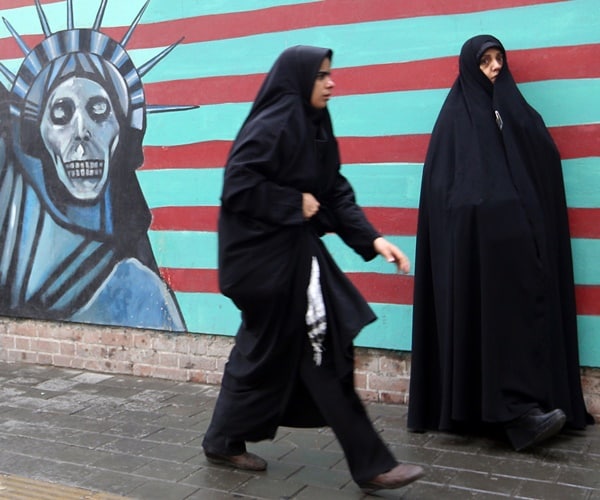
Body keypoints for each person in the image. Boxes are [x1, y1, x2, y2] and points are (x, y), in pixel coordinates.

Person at [202, 45, 425, 492]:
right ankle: (370, 464)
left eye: (330, 74)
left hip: (289, 257)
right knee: (325, 348)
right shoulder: (275, 123)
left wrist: (374, 239)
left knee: (261, 352)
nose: (331, 83)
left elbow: (334, 189)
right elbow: (238, 185)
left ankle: (222, 438)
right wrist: (292, 202)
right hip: (264, 263)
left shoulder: (315, 125)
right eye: (322, 75)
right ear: (299, 80)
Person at [407, 35, 593, 451]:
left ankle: (524, 408)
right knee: (486, 325)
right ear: (469, 67)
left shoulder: (516, 113)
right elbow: (445, 193)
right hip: (474, 255)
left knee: (518, 320)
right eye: (485, 61)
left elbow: (542, 164)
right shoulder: (454, 121)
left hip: (519, 254)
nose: (494, 67)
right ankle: (512, 416)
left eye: (498, 59)